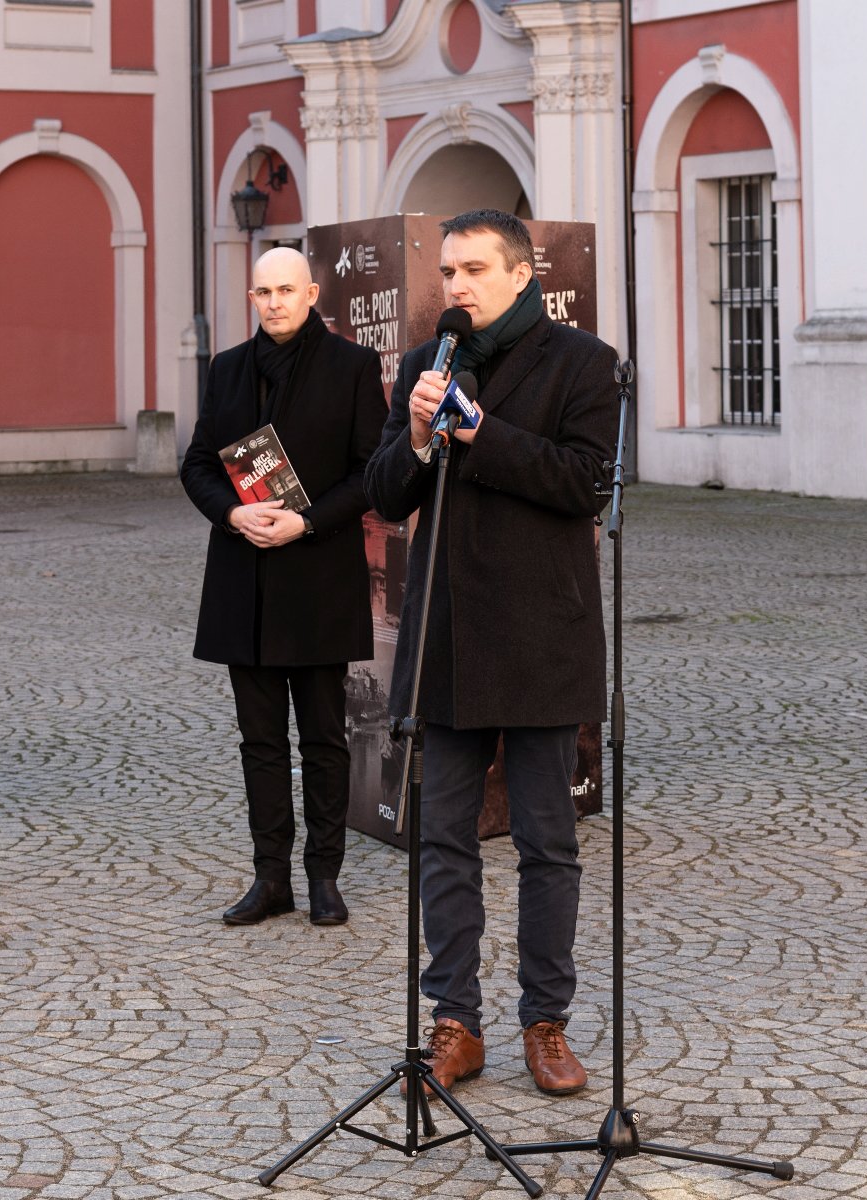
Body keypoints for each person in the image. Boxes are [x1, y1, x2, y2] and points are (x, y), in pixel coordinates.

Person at [364, 209, 617, 1099]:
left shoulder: (584, 363)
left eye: (473, 269)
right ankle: (453, 1022)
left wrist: (480, 433)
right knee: (444, 838)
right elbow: (386, 489)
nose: (456, 287)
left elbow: (583, 481)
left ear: (520, 275)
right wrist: (425, 434)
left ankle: (545, 1023)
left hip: (544, 634)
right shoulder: (423, 367)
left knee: (548, 843)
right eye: (448, 272)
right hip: (448, 634)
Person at [180, 247, 387, 928]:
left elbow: (368, 473)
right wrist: (232, 512)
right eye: (262, 291)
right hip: (245, 579)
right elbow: (199, 465)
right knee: (258, 741)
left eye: (285, 290)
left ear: (311, 293)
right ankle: (270, 878)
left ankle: (324, 877)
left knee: (325, 739)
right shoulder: (228, 369)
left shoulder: (352, 367)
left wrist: (303, 522)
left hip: (319, 573)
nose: (273, 302)